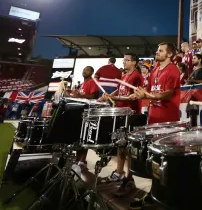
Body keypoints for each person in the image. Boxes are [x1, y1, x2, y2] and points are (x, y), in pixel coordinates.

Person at [128, 42, 181, 208]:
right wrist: (138, 94)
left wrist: (147, 94)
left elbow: (167, 94)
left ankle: (170, 196)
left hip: (167, 121)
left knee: (167, 161)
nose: (157, 52)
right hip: (153, 120)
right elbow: (148, 91)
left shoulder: (173, 70)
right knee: (155, 161)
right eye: (157, 50)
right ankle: (154, 194)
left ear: (170, 54)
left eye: (161, 50)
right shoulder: (155, 70)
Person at [99, 53, 143, 196]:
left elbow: (132, 96)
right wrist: (110, 95)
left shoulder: (137, 76)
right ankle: (119, 172)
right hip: (121, 113)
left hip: (131, 115)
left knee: (129, 148)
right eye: (124, 60)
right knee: (120, 144)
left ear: (134, 62)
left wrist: (116, 97)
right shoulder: (124, 76)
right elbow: (120, 89)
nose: (124, 62)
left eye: (127, 60)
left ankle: (129, 180)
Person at [64, 66, 99, 168]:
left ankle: (82, 160)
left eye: (87, 70)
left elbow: (94, 96)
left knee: (84, 136)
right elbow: (79, 95)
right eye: (84, 69)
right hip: (79, 111)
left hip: (87, 112)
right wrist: (70, 93)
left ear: (92, 72)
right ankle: (77, 159)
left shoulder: (92, 81)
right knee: (79, 137)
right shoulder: (83, 84)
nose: (84, 71)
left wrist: (79, 96)